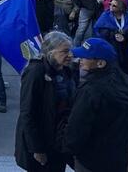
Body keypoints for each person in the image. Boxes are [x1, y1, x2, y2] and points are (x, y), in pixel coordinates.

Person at [65, 37, 128, 172]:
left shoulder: (90, 90)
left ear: (100, 63)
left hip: (91, 161)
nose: (80, 60)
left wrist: (67, 148)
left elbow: (76, 129)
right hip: (120, 160)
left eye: (85, 57)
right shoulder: (127, 82)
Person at [15, 31, 76, 172]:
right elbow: (27, 113)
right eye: (65, 51)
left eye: (70, 51)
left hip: (59, 139)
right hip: (42, 143)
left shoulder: (66, 70)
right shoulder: (35, 72)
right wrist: (37, 149)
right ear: (50, 52)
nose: (70, 55)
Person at [93, 0, 128, 74]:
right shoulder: (105, 15)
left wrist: (125, 35)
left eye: (114, 5)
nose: (110, 6)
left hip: (126, 45)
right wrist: (114, 34)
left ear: (121, 8)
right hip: (112, 44)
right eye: (110, 4)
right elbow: (99, 29)